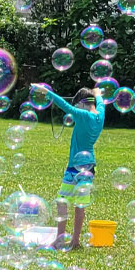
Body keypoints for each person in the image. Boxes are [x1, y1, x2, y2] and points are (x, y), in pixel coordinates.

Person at [47, 86, 105, 252]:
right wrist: (98, 93)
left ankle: (59, 239)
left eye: (77, 105)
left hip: (74, 166)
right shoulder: (100, 115)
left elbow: (66, 106)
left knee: (62, 201)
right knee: (80, 205)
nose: (76, 109)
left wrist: (48, 93)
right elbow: (100, 101)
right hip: (89, 167)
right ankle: (75, 241)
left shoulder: (83, 115)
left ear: (83, 103)